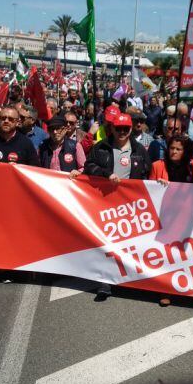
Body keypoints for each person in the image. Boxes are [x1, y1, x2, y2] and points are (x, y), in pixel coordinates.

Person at [84, 112, 151, 301]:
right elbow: (89, 166)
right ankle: (105, 282)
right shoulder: (101, 147)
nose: (122, 132)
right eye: (118, 128)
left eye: (126, 129)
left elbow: (147, 173)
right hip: (105, 202)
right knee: (107, 243)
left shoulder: (139, 150)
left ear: (131, 129)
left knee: (131, 242)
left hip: (130, 204)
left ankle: (132, 279)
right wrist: (106, 174)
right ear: (112, 128)